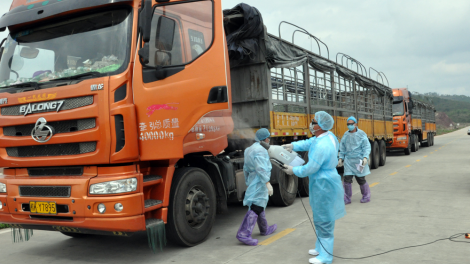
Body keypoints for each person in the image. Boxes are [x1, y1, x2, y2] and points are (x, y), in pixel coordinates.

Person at [281, 111, 345, 264]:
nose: (311, 124)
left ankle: (326, 256)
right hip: (322, 181)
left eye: (314, 122)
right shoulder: (327, 136)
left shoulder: (323, 145)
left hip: (324, 183)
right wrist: (292, 146)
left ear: (321, 126)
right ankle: (320, 248)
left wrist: (293, 170)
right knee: (319, 216)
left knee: (324, 219)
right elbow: (309, 143)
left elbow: (311, 168)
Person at [236, 128, 277, 246]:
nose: (269, 140)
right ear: (265, 139)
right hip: (260, 180)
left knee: (260, 204)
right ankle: (243, 233)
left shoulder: (249, 149)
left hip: (253, 179)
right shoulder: (261, 150)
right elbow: (261, 168)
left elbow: (245, 168)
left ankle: (264, 229)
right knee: (257, 206)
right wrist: (267, 183)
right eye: (268, 137)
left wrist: (248, 181)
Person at [338, 116, 371, 204]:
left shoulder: (361, 134)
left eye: (351, 124)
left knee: (360, 179)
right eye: (348, 124)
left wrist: (365, 157)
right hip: (348, 161)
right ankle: (347, 198)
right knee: (347, 179)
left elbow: (366, 147)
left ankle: (366, 196)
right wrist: (341, 158)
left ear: (355, 124)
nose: (349, 126)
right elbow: (342, 147)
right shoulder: (345, 135)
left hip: (359, 160)